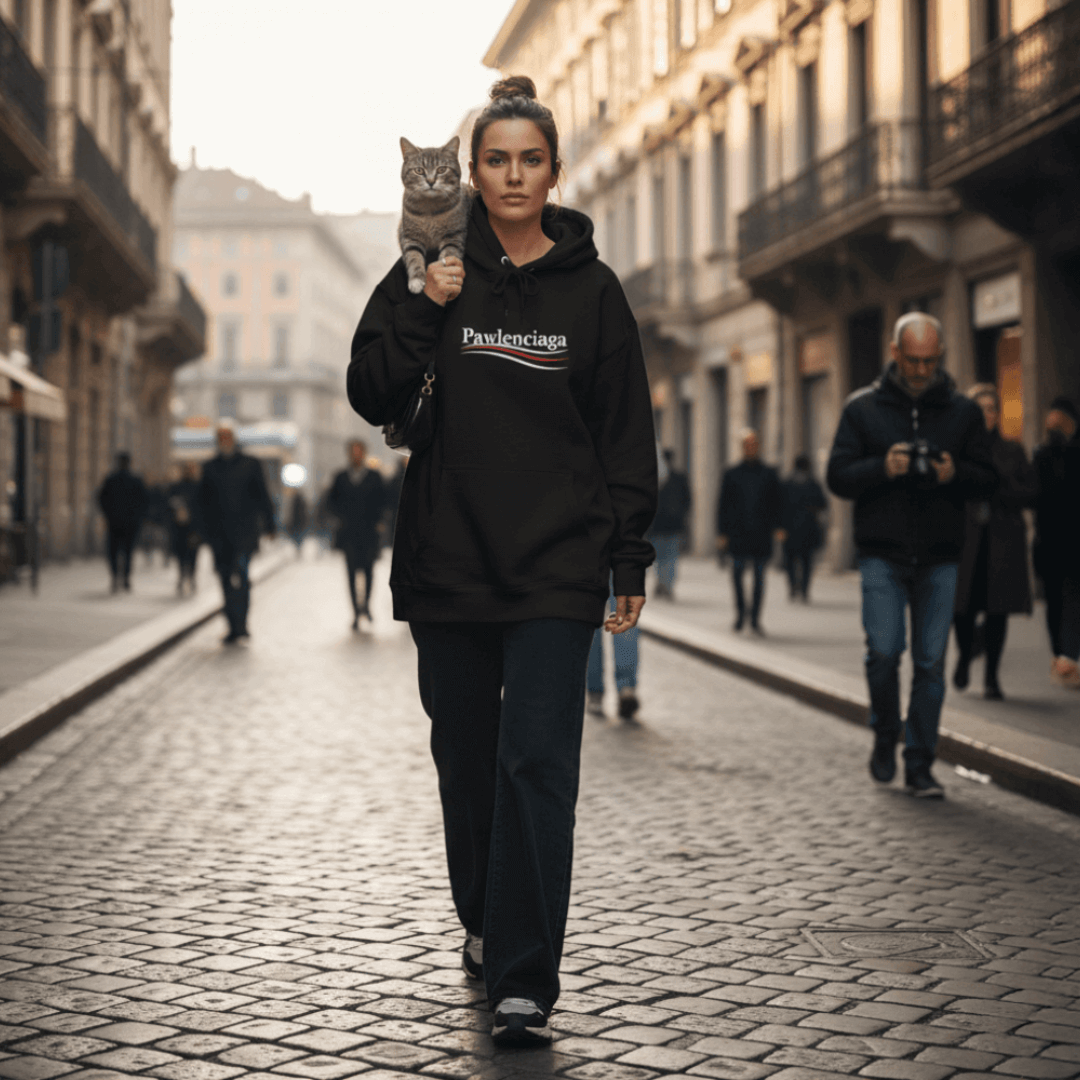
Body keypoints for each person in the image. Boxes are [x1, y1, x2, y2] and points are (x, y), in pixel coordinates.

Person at [346, 76, 656, 1047]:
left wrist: (629, 557)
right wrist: (422, 305)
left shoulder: (593, 291)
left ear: (554, 174)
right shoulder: (432, 267)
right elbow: (368, 389)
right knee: (467, 763)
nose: (513, 175)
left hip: (557, 570)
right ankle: (485, 916)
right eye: (497, 160)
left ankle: (525, 976)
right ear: (473, 173)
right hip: (451, 564)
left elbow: (624, 431)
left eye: (531, 161)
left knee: (538, 767)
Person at [827, 312, 996, 798]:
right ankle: (885, 732)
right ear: (895, 353)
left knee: (930, 665)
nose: (921, 370)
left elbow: (988, 478)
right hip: (882, 554)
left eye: (930, 361)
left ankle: (919, 763)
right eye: (913, 360)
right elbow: (837, 476)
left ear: (939, 356)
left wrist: (953, 474)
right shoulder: (862, 408)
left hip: (941, 556)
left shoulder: (963, 412)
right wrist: (883, 467)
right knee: (883, 655)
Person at [951, 384, 1038, 700]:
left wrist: (1001, 486)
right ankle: (965, 654)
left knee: (997, 611)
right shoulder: (957, 450)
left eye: (992, 408)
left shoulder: (1012, 450)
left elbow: (1032, 493)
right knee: (961, 610)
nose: (987, 414)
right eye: (980, 408)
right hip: (966, 542)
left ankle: (991, 679)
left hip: (1002, 542)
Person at [198, 422, 277, 643]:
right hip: (219, 534)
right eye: (220, 437)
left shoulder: (250, 464)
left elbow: (263, 495)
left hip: (245, 533)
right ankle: (232, 623)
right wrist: (202, 532)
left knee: (241, 576)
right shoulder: (209, 467)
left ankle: (242, 622)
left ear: (233, 439)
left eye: (227, 437)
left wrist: (270, 525)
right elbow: (202, 503)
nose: (224, 441)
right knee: (224, 578)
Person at [716, 430, 784, 634]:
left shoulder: (769, 473)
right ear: (742, 447)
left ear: (758, 447)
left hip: (761, 534)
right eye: (747, 444)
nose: (751, 448)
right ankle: (740, 614)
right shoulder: (732, 473)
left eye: (754, 444)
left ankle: (755, 618)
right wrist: (721, 533)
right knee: (737, 575)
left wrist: (779, 527)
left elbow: (777, 503)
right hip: (738, 534)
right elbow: (723, 505)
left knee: (759, 578)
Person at [1033, 397, 1080, 688]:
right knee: (1054, 602)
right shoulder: (1043, 454)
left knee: (1073, 599)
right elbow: (1038, 494)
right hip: (1050, 541)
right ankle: (1061, 654)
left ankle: (1068, 656)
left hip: (1075, 541)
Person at [327, 440, 387, 629]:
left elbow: (383, 501)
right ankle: (355, 611)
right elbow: (330, 502)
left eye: (359, 451)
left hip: (369, 533)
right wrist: (337, 519)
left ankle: (366, 606)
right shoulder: (341, 477)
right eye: (353, 451)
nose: (356, 455)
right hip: (349, 534)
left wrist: (380, 521)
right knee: (351, 573)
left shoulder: (375, 477)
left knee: (369, 572)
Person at [97, 451, 147, 593]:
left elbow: (101, 498)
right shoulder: (136, 480)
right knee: (128, 552)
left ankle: (115, 577)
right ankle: (125, 578)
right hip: (130, 524)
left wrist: (108, 514)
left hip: (114, 522)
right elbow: (144, 502)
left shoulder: (111, 479)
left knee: (113, 551)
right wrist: (138, 517)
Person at [781, 453, 827, 603]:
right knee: (806, 562)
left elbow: (778, 506)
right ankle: (804, 590)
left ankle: (794, 587)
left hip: (790, 529)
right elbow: (823, 504)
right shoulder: (813, 484)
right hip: (808, 529)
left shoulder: (787, 484)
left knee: (791, 561)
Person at [651, 448, 691, 600]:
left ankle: (664, 584)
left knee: (664, 557)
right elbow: (688, 500)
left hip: (662, 525)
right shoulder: (678, 478)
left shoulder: (655, 478)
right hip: (668, 525)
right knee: (668, 558)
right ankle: (665, 584)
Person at [167, 461, 203, 595]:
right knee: (182, 555)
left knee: (192, 554)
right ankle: (183, 576)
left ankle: (190, 577)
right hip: (180, 528)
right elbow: (167, 504)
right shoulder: (176, 487)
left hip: (192, 528)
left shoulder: (198, 487)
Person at [288, 490, 308, 557]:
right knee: (299, 537)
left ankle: (298, 550)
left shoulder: (295, 503)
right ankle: (298, 550)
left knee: (298, 537)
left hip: (297, 522)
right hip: (299, 522)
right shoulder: (302, 503)